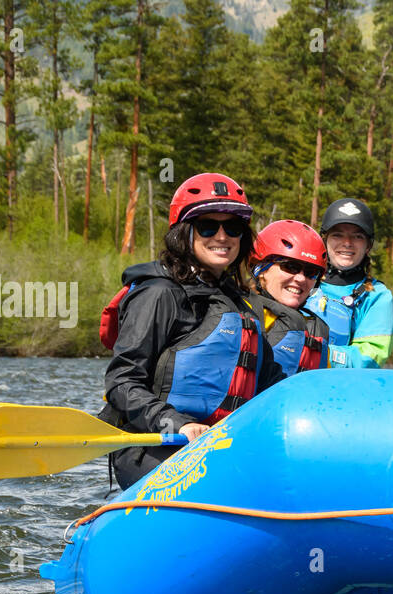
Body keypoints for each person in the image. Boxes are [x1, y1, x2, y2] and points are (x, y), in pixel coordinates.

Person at [100, 172, 286, 489]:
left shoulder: (240, 305)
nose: (223, 236)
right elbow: (121, 381)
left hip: (218, 448)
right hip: (156, 444)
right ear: (184, 233)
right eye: (208, 226)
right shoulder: (159, 294)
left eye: (234, 227)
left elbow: (273, 384)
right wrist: (176, 422)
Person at [305, 198, 393, 368]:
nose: (347, 243)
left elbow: (368, 359)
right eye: (337, 234)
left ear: (368, 245)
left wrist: (316, 352)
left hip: (340, 390)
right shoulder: (302, 280)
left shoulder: (378, 297)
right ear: (325, 240)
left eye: (357, 236)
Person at [245, 220, 332, 376]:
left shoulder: (315, 331)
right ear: (261, 268)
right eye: (290, 266)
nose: (301, 279)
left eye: (311, 272)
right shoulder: (239, 313)